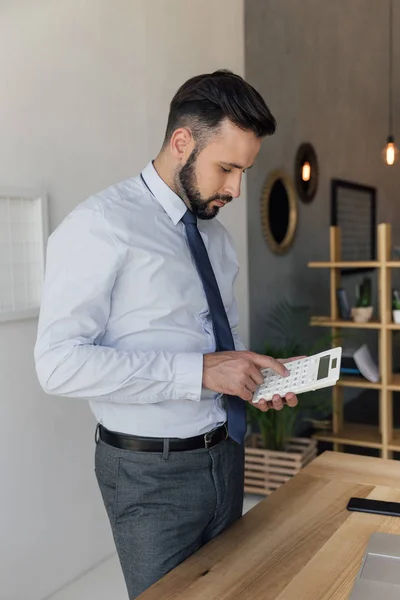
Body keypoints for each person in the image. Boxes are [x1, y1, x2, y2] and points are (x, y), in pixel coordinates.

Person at [34, 69, 299, 599]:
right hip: (148, 476)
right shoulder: (99, 226)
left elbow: (219, 348)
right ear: (182, 142)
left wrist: (246, 376)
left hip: (225, 454)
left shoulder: (217, 240)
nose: (235, 189)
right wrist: (200, 371)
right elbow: (57, 363)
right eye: (226, 168)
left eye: (244, 171)